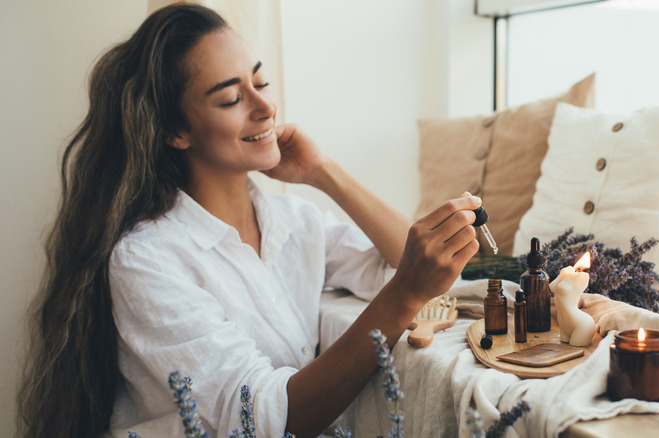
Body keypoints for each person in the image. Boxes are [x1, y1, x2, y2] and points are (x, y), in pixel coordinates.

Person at [16, 4, 481, 438]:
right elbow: (263, 418)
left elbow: (424, 268)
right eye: (230, 98)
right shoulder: (146, 259)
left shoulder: (293, 221)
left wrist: (326, 174)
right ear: (174, 131)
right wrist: (404, 294)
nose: (264, 108)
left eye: (261, 82)